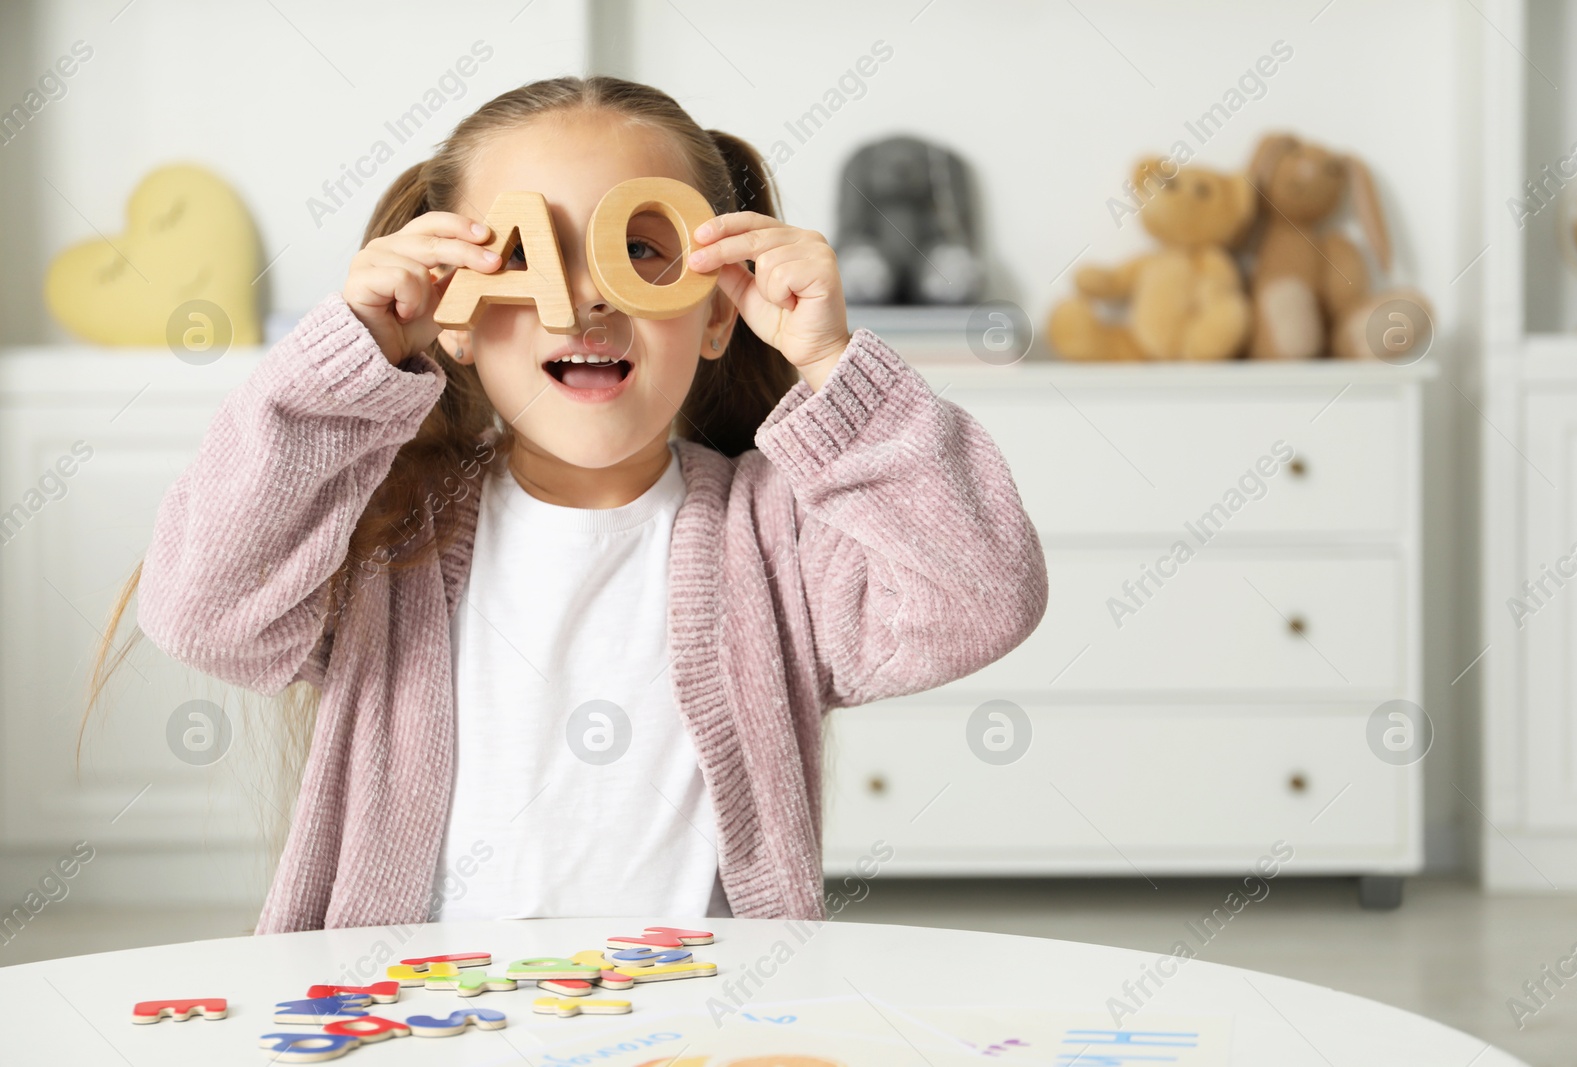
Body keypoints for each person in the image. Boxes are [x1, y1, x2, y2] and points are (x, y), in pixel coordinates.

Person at [97, 75, 1047, 933]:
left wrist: (833, 368)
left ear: (718, 312)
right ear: (456, 314)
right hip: (428, 1025)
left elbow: (980, 596)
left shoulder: (779, 536)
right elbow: (202, 611)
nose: (585, 298)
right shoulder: (391, 532)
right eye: (530, 255)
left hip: (701, 1026)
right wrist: (355, 360)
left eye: (638, 252)